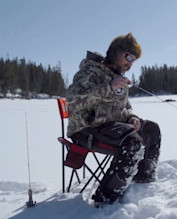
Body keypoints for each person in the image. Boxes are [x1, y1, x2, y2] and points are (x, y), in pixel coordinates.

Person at [66, 33, 161, 205]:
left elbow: (126, 106)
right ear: (116, 52)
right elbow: (73, 102)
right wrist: (109, 88)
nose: (130, 63)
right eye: (129, 57)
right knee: (133, 143)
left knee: (151, 130)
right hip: (86, 129)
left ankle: (141, 182)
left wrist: (132, 117)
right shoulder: (89, 72)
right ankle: (105, 199)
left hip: (111, 127)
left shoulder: (117, 75)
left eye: (134, 60)